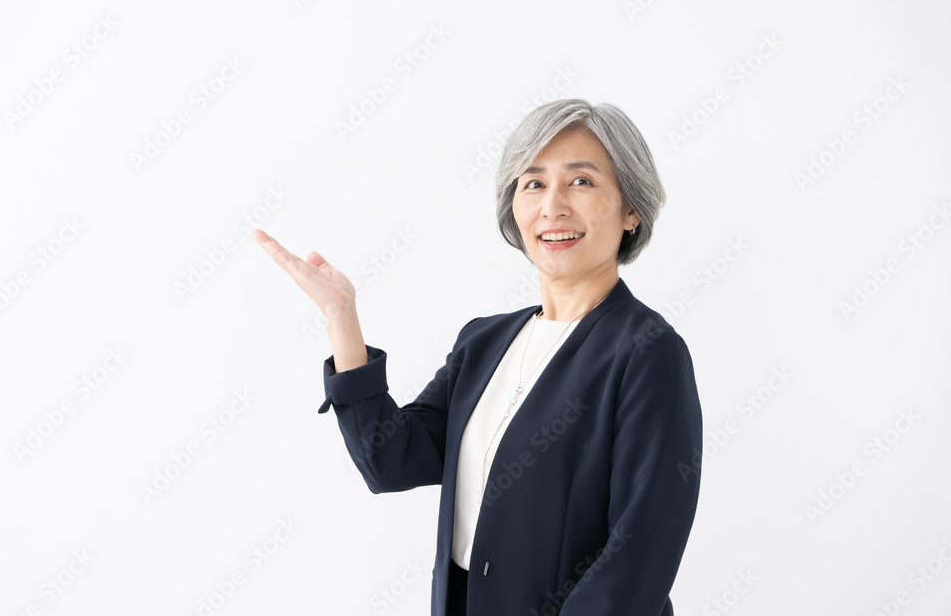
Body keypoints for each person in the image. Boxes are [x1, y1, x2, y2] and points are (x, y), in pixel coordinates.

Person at [253, 98, 703, 616]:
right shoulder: (484, 342)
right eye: (533, 183)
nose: (552, 206)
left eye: (581, 181)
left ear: (631, 210)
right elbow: (389, 461)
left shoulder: (648, 352)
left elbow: (640, 553)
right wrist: (341, 318)